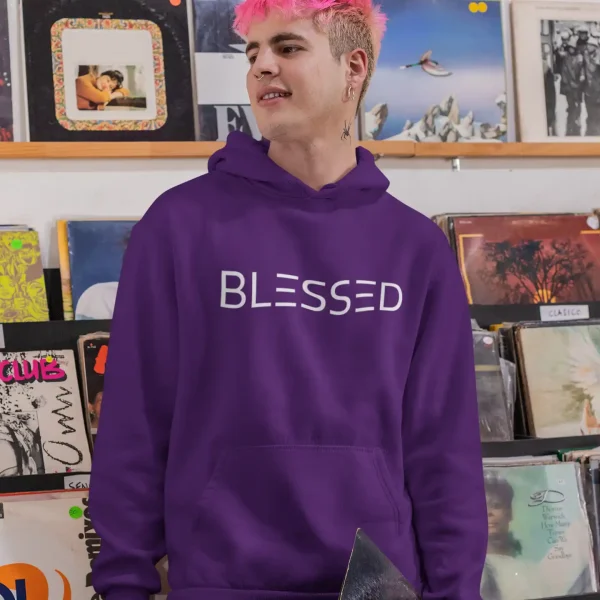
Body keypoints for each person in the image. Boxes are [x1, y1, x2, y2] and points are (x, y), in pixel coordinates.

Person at [88, 0, 488, 598]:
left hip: (378, 584)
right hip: (220, 579)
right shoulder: (179, 226)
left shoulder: (415, 248)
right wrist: (123, 582)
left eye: (288, 48)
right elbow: (134, 423)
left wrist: (455, 590)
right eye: (253, 54)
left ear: (354, 67)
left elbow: (444, 446)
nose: (261, 68)